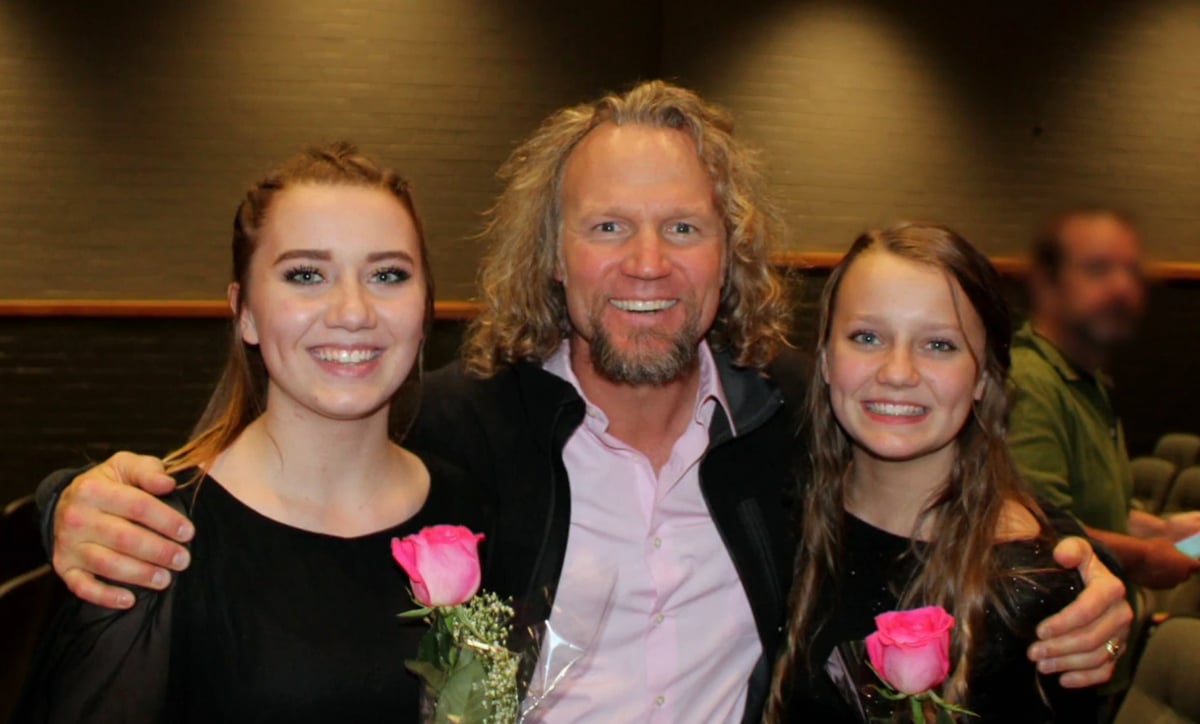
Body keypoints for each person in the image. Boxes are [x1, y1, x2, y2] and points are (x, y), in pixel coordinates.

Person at [34, 82, 1131, 723]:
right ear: (552, 256)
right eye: (608, 227)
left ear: (730, 253)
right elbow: (290, 465)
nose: (646, 263)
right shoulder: (455, 428)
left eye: (684, 229)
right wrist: (63, 504)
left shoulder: (794, 423)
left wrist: (1078, 568)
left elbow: (938, 456)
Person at [17, 143, 484, 722]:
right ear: (245, 312)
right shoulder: (152, 543)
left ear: (425, 308)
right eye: (306, 274)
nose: (353, 310)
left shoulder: (474, 507)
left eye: (387, 274)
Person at [766, 224, 1100, 722]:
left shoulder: (1031, 588)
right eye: (867, 336)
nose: (898, 371)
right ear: (826, 360)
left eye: (939, 345)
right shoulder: (775, 519)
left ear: (984, 376)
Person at [1007, 209, 1200, 590]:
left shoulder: (1086, 381)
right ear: (1047, 284)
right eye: (1098, 270)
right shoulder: (1029, 384)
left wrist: (1160, 528)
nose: (1121, 288)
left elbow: (1083, 511)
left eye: (1131, 272)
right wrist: (1144, 558)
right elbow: (1036, 533)